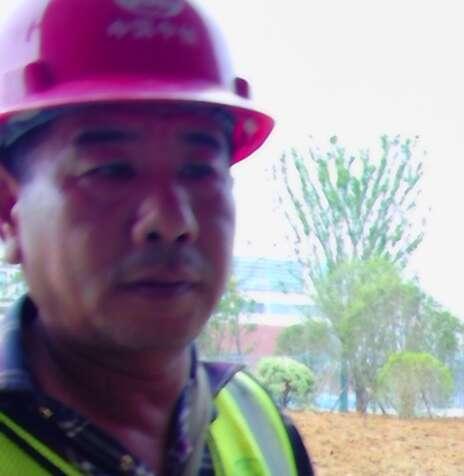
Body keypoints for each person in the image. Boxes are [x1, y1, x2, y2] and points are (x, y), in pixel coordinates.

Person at [0, 0, 314, 474]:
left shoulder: (262, 426)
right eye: (111, 171)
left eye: (199, 171)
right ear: (8, 211)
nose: (170, 220)